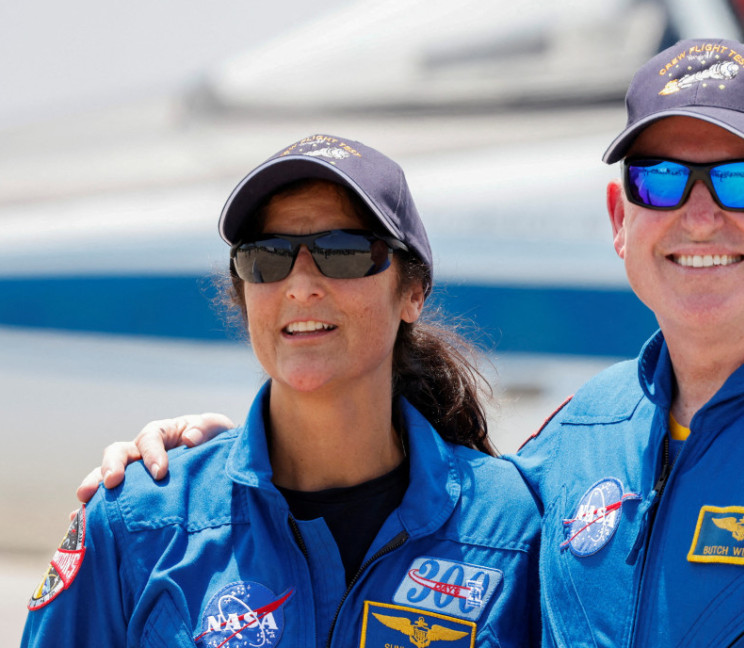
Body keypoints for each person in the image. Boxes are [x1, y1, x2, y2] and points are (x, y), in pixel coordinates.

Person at [78, 40, 744, 646]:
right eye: (659, 182)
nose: (697, 216)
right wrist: (218, 470)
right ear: (617, 218)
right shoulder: (569, 450)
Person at [26, 134, 540, 647]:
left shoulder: (514, 527)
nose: (299, 285)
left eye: (343, 251)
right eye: (267, 257)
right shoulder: (139, 523)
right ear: (244, 295)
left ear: (413, 292)